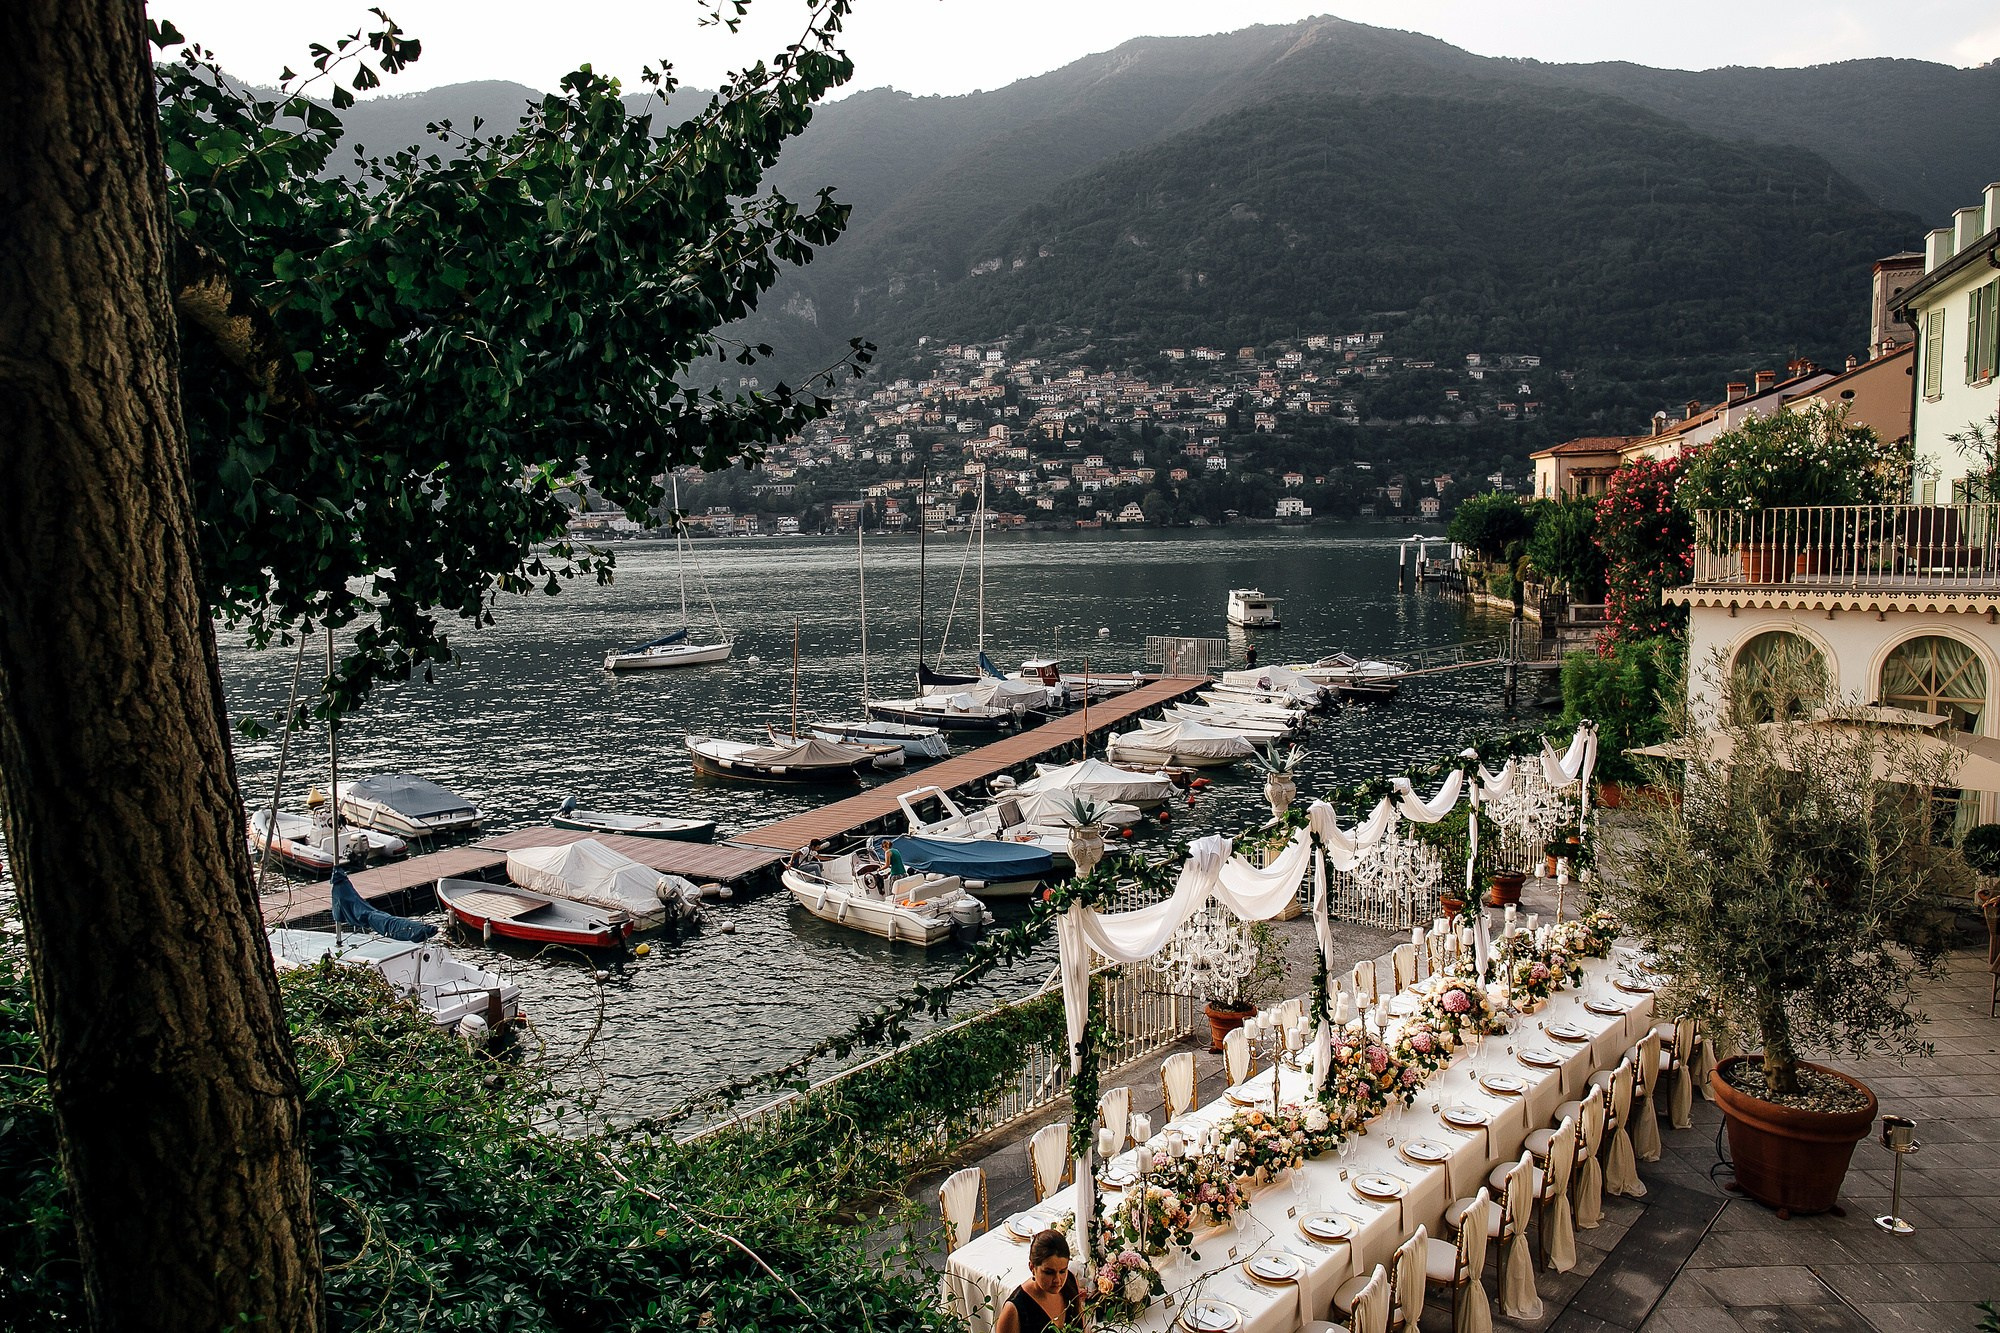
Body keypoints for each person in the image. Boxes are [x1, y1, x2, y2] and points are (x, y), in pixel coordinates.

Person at [993, 1229, 1082, 1333]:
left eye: (1062, 1271)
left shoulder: (1070, 1282)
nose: (1057, 1280)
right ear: (1032, 1267)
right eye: (1049, 1272)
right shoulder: (1014, 1310)